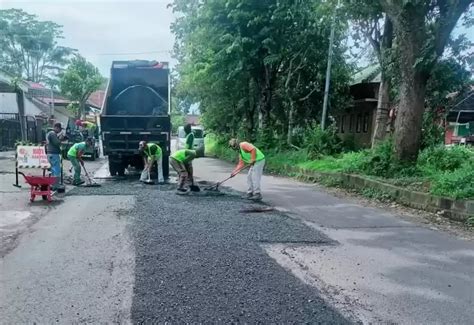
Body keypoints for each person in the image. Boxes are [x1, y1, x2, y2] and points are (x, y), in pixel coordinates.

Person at [45, 122, 64, 190]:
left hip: (51, 154)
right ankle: (56, 185)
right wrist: (61, 139)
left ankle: (53, 185)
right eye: (60, 129)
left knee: (53, 170)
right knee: (56, 170)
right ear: (56, 127)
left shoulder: (50, 134)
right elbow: (57, 143)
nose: (60, 130)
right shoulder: (52, 134)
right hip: (54, 154)